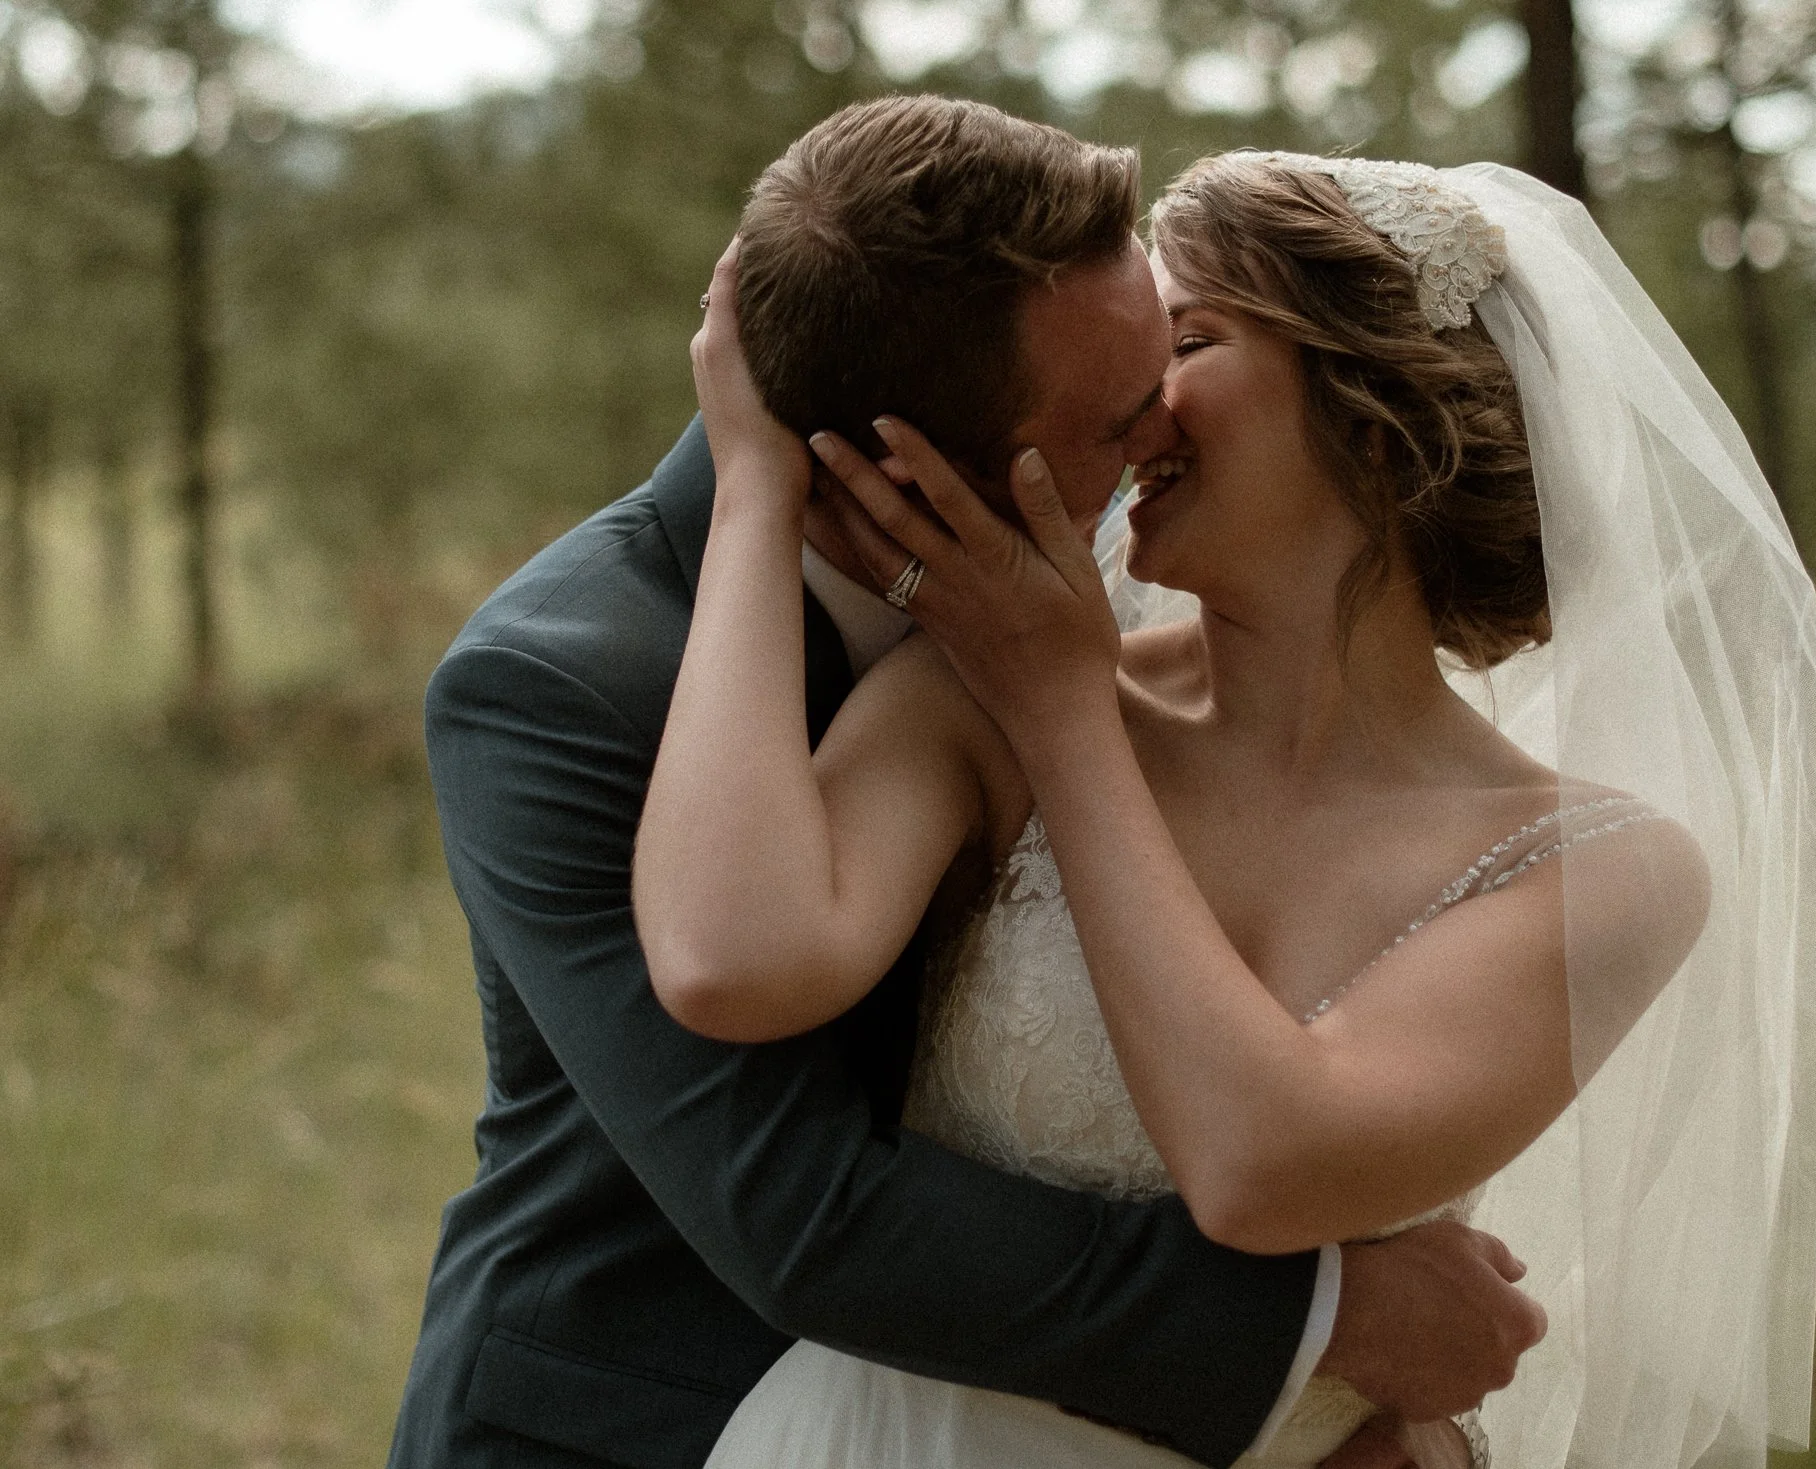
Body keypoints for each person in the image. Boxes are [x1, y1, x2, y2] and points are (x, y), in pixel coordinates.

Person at [643, 147, 1816, 1469]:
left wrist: (1067, 715)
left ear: (1373, 414)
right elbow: (734, 960)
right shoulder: (972, 693)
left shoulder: (1604, 872)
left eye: (1191, 340)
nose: (1129, 405)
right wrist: (753, 489)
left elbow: (1260, 1164)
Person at [390, 99, 1546, 1469]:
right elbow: (799, 1210)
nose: (1163, 425)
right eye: (1124, 409)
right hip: (633, 1425)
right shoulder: (557, 684)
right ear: (909, 458)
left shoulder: (1079, 620)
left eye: (1176, 349)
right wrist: (1315, 1336)